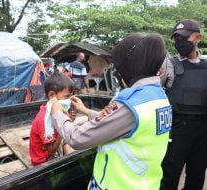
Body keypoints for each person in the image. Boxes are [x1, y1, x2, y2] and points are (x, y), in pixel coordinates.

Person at [50, 33, 172, 189]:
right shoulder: (158, 96)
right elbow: (121, 124)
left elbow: (77, 138)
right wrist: (86, 111)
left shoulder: (131, 103)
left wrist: (57, 114)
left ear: (129, 66)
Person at [160, 19, 207, 190]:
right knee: (169, 175)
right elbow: (153, 90)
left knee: (197, 174)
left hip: (203, 129)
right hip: (177, 127)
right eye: (177, 38)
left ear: (198, 38)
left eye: (185, 37)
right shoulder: (169, 64)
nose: (180, 42)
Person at [29, 72, 76, 166]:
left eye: (70, 96)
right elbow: (51, 151)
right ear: (51, 95)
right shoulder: (43, 120)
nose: (69, 100)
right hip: (43, 161)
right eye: (67, 96)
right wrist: (64, 125)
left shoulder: (53, 110)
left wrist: (68, 120)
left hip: (53, 145)